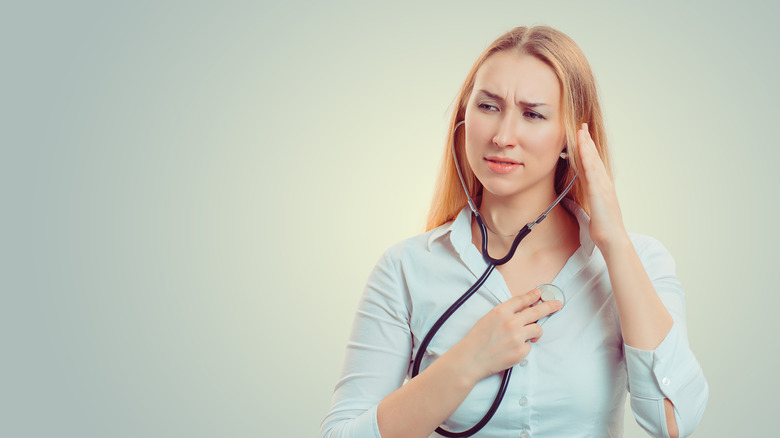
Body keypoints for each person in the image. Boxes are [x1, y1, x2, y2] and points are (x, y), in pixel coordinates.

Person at [320, 25, 708, 438]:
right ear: (464, 118)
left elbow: (673, 425)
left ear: (571, 138)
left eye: (533, 113)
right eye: (488, 107)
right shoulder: (406, 269)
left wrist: (613, 244)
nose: (503, 136)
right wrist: (468, 360)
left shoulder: (639, 263)